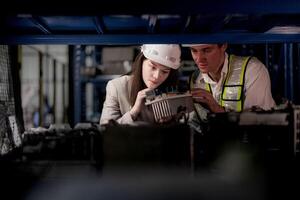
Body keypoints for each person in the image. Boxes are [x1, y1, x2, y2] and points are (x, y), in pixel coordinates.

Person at [100, 44, 181, 125]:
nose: (156, 76)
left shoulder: (171, 90)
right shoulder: (117, 87)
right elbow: (105, 130)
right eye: (153, 67)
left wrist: (170, 122)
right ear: (141, 61)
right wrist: (133, 112)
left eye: (164, 72)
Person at [183, 43, 275, 113]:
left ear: (223, 46)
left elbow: (258, 122)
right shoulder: (195, 79)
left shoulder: (252, 69)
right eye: (194, 51)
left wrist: (216, 108)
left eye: (207, 50)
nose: (199, 59)